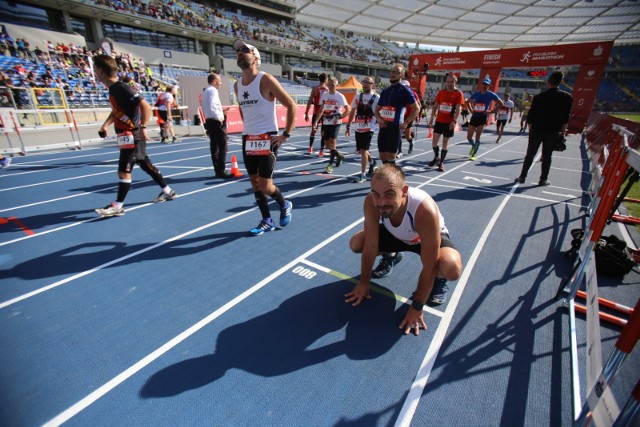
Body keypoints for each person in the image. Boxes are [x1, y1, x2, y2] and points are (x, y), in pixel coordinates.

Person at [346, 164, 463, 334]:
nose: (381, 202)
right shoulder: (371, 202)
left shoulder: (424, 210)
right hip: (397, 236)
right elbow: (371, 244)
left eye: (389, 194)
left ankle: (440, 280)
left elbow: (428, 265)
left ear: (405, 191)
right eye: (376, 194)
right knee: (357, 243)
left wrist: (417, 306)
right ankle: (391, 256)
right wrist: (364, 282)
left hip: (422, 239)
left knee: (450, 267)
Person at [92, 54, 176, 218]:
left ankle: (117, 206)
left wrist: (143, 127)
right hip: (126, 134)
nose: (95, 73)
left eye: (96, 70)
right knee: (145, 164)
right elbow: (117, 110)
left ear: (101, 72)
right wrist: (106, 125)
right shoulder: (114, 90)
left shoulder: (122, 88)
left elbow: (146, 107)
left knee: (123, 171)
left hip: (132, 134)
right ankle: (167, 191)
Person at [233, 39, 295, 236]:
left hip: (267, 137)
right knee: (254, 183)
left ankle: (284, 203)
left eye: (245, 50)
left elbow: (291, 105)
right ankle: (266, 220)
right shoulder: (237, 85)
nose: (240, 53)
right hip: (248, 138)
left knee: (266, 185)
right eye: (238, 51)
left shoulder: (265, 79)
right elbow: (243, 111)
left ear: (256, 58)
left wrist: (285, 135)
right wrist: (247, 129)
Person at [514, 71, 573, 186]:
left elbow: (530, 117)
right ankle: (543, 179)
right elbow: (566, 118)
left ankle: (522, 176)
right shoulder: (567, 97)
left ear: (548, 82)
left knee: (530, 154)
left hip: (537, 129)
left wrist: (531, 131)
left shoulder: (539, 97)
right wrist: (562, 133)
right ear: (560, 82)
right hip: (553, 131)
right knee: (547, 156)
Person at [373, 63, 419, 167]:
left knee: (390, 157)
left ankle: (395, 181)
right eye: (392, 72)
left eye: (396, 72)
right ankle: (390, 177)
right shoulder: (385, 91)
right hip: (383, 127)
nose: (393, 74)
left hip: (395, 128)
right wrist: (379, 120)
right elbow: (377, 110)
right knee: (382, 156)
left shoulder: (405, 91)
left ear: (401, 75)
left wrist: (406, 123)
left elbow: (417, 109)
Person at [312, 76, 351, 174]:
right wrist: (316, 121)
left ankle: (329, 165)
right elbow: (321, 109)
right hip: (326, 122)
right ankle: (339, 156)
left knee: (332, 144)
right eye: (329, 84)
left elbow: (348, 109)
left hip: (335, 123)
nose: (330, 86)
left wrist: (341, 116)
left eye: (333, 85)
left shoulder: (340, 96)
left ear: (336, 85)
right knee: (327, 145)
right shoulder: (324, 95)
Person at [427, 73, 465, 172]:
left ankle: (441, 163)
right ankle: (436, 157)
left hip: (449, 123)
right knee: (434, 142)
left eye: (451, 81)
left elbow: (458, 109)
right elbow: (435, 106)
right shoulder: (441, 92)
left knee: (445, 143)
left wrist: (454, 121)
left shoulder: (458, 93)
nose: (449, 84)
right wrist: (431, 118)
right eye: (448, 81)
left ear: (455, 81)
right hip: (439, 121)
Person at [346, 76, 378, 183]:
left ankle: (363, 174)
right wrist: (348, 125)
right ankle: (372, 162)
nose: (365, 84)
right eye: (364, 82)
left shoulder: (377, 97)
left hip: (370, 128)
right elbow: (352, 111)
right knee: (362, 150)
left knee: (364, 150)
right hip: (358, 127)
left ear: (372, 84)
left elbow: (381, 111)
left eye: (367, 82)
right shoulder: (357, 96)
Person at [466, 77, 503, 161]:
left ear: (489, 85)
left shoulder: (491, 94)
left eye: (486, 84)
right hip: (474, 116)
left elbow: (501, 103)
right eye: (483, 84)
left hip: (482, 117)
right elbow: (467, 101)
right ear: (481, 84)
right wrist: (471, 110)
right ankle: (473, 146)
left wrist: (492, 111)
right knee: (469, 137)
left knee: (477, 136)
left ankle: (474, 154)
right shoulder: (477, 93)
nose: (484, 86)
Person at [202, 73, 231, 178]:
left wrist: (221, 113)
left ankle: (217, 170)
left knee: (214, 146)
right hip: (215, 121)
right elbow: (213, 105)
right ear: (214, 81)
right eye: (219, 80)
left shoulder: (206, 91)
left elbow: (209, 106)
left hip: (209, 121)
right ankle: (221, 170)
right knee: (223, 146)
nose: (221, 83)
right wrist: (219, 117)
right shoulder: (213, 90)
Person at [304, 73, 328, 156]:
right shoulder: (327, 90)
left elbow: (310, 101)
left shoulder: (315, 89)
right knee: (323, 132)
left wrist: (306, 112)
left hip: (316, 111)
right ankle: (321, 151)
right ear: (326, 80)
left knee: (313, 130)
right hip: (324, 113)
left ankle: (310, 147)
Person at [397, 81, 421, 158]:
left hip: (409, 117)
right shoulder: (399, 94)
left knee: (407, 136)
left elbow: (418, 106)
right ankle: (399, 151)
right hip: (400, 116)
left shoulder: (413, 94)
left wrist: (417, 116)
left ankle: (411, 143)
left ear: (408, 87)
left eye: (405, 86)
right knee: (398, 134)